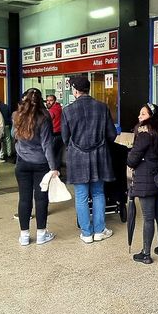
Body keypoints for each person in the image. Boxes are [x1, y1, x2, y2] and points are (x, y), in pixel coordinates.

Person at [61, 75, 117, 244]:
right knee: (99, 193)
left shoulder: (68, 110)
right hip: (99, 156)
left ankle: (86, 233)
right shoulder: (102, 107)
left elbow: (65, 138)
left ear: (75, 90)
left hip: (77, 158)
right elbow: (111, 135)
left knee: (81, 195)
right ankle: (99, 231)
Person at [13, 88, 60, 246]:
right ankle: (41, 234)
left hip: (22, 163)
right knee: (41, 199)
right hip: (41, 163)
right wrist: (53, 167)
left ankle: (24, 236)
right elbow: (47, 144)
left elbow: (15, 136)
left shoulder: (17, 115)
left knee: (24, 199)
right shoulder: (44, 117)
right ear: (41, 100)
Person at [127, 103, 158, 264]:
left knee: (148, 217)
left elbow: (132, 159)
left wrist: (130, 156)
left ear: (150, 116)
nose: (139, 117)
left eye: (143, 114)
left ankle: (146, 253)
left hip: (145, 179)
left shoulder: (145, 134)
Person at [45, 94, 64, 167]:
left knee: (51, 155)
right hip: (60, 135)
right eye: (47, 100)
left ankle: (52, 172)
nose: (48, 102)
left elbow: (46, 121)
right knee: (58, 155)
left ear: (55, 101)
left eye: (51, 100)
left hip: (53, 135)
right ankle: (58, 173)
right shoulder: (60, 108)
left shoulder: (52, 110)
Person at [0, 97, 13, 162]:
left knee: (0, 140)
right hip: (6, 124)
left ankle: (2, 153)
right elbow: (9, 115)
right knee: (8, 139)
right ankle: (9, 153)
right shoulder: (6, 106)